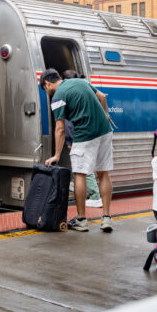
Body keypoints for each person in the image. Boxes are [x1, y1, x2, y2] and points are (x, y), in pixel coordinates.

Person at [41, 68, 114, 233]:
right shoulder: (81, 82)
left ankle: (81, 219)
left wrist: (57, 155)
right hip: (105, 131)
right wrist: (106, 115)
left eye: (46, 89)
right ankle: (107, 218)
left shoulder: (58, 96)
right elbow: (102, 97)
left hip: (85, 135)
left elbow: (60, 128)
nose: (48, 92)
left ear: (47, 83)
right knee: (103, 173)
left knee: (80, 174)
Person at [61, 69, 106, 207]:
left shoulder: (68, 95)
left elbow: (68, 123)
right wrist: (106, 114)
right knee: (86, 167)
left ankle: (95, 196)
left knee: (84, 168)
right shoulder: (84, 90)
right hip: (92, 134)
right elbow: (102, 97)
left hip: (80, 137)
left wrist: (70, 141)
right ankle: (91, 194)